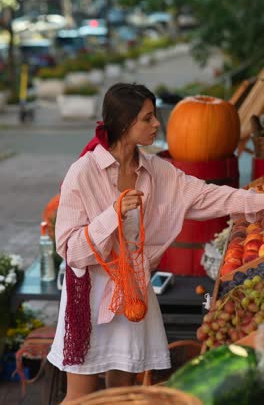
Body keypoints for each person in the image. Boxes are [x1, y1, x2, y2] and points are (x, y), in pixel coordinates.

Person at [47, 82, 264, 403]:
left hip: (133, 296)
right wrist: (113, 215)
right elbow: (70, 251)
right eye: (147, 118)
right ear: (124, 124)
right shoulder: (83, 173)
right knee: (80, 399)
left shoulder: (155, 171)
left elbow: (207, 195)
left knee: (123, 395)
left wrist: (259, 200)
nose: (157, 124)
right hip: (90, 300)